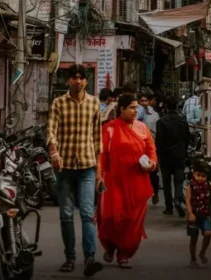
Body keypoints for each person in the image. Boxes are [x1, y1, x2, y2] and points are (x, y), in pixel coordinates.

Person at [47, 64, 103, 276]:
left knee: (88, 214)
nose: (78, 81)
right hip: (65, 167)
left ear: (86, 81)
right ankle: (70, 257)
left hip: (87, 167)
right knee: (66, 215)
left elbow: (98, 139)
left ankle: (90, 258)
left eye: (81, 78)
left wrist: (99, 172)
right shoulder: (58, 103)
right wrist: (54, 153)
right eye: (74, 78)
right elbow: (51, 130)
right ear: (68, 81)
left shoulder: (94, 103)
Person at [98, 93, 157, 269]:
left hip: (137, 182)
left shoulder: (142, 128)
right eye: (132, 107)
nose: (135, 110)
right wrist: (99, 176)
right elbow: (102, 156)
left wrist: (151, 164)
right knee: (111, 217)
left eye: (136, 107)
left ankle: (123, 254)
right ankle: (110, 246)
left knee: (132, 220)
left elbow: (151, 150)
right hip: (114, 181)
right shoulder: (109, 128)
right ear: (121, 109)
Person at [156, 97, 190, 217]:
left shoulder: (161, 122)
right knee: (179, 181)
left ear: (166, 106)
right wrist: (184, 151)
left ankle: (169, 207)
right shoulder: (183, 120)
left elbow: (159, 142)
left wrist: (158, 156)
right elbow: (187, 139)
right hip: (179, 155)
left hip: (165, 156)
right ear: (177, 106)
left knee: (166, 182)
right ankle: (178, 199)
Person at [186, 159, 211, 268]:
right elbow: (187, 201)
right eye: (198, 175)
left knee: (208, 234)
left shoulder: (208, 184)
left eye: (203, 176)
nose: (200, 178)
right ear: (194, 174)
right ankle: (193, 258)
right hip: (194, 216)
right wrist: (190, 213)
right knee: (194, 238)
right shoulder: (190, 186)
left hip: (205, 215)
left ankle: (202, 252)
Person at [139, 93, 161, 205]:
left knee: (153, 173)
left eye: (145, 101)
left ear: (149, 101)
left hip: (151, 147)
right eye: (141, 101)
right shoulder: (136, 114)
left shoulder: (155, 115)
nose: (143, 103)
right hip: (139, 147)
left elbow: (158, 132)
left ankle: (155, 192)